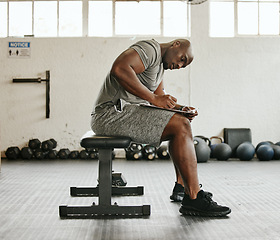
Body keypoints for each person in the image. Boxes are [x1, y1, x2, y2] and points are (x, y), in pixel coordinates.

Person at [91, 39, 231, 217]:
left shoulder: (159, 69)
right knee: (180, 125)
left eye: (184, 65)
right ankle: (194, 197)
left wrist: (182, 109)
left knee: (181, 122)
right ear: (176, 44)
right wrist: (153, 99)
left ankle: (182, 188)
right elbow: (119, 69)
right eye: (182, 59)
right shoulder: (149, 50)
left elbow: (160, 100)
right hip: (109, 115)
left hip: (122, 113)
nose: (180, 65)